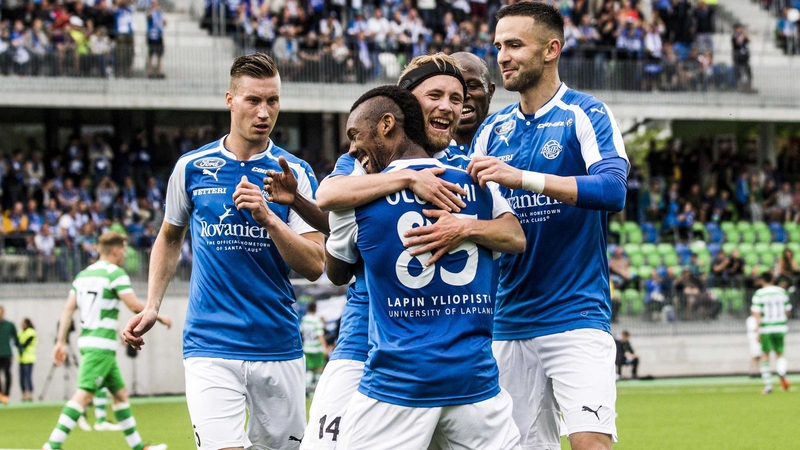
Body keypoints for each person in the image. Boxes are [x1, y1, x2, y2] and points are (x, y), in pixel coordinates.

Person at [263, 53, 518, 450]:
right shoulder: (364, 160)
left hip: (431, 352)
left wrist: (464, 226)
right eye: (435, 95)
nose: (451, 107)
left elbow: (514, 236)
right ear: (402, 106)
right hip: (364, 339)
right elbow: (333, 200)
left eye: (457, 97)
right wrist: (408, 180)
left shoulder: (468, 166)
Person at [123, 53, 326, 450]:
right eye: (254, 100)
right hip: (210, 344)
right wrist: (151, 304)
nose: (265, 112)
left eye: (273, 101)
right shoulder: (192, 167)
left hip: (277, 343)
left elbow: (316, 264)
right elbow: (169, 236)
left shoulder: (295, 173)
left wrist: (270, 218)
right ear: (230, 99)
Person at [326, 85, 525, 450]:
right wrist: (468, 226)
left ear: (386, 125)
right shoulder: (477, 185)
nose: (352, 148)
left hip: (397, 384)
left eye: (355, 135)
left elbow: (337, 273)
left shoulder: (354, 199)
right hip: (475, 383)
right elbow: (516, 237)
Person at [466, 3, 628, 449]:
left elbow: (613, 190)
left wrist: (523, 178)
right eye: (498, 45)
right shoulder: (490, 131)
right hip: (508, 323)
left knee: (590, 443)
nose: (502, 56)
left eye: (515, 45)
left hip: (575, 315)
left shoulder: (585, 113)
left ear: (551, 49)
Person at [42, 231, 171, 450]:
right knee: (83, 396)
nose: (124, 255)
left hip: (92, 342)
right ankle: (52, 446)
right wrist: (160, 316)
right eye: (122, 250)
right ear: (114, 250)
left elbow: (68, 309)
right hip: (100, 346)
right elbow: (134, 305)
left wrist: (60, 341)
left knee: (120, 395)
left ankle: (139, 447)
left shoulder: (83, 275)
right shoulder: (115, 273)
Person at [751, 272, 792, 394]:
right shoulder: (781, 291)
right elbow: (788, 310)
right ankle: (782, 372)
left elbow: (756, 313)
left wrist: (757, 330)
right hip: (780, 326)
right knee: (780, 353)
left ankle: (768, 385)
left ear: (762, 280)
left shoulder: (759, 293)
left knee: (765, 355)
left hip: (766, 328)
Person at [300, 301, 328, 396]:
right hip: (316, 348)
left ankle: (306, 389)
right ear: (316, 309)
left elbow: (302, 332)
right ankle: (315, 393)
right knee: (319, 369)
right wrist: (325, 348)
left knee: (310, 369)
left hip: (307, 347)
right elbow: (320, 335)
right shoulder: (317, 320)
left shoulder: (304, 319)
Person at [0, 305, 19, 404]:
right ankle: (1, 394)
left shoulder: (9, 325)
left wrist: (20, 347)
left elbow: (15, 338)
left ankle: (6, 394)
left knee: (7, 374)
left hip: (6, 354)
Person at [17, 317, 36, 402]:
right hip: (21, 359)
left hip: (29, 359)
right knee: (21, 378)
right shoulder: (20, 332)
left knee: (28, 377)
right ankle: (24, 394)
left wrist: (20, 345)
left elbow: (25, 344)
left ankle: (30, 394)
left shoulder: (31, 332)